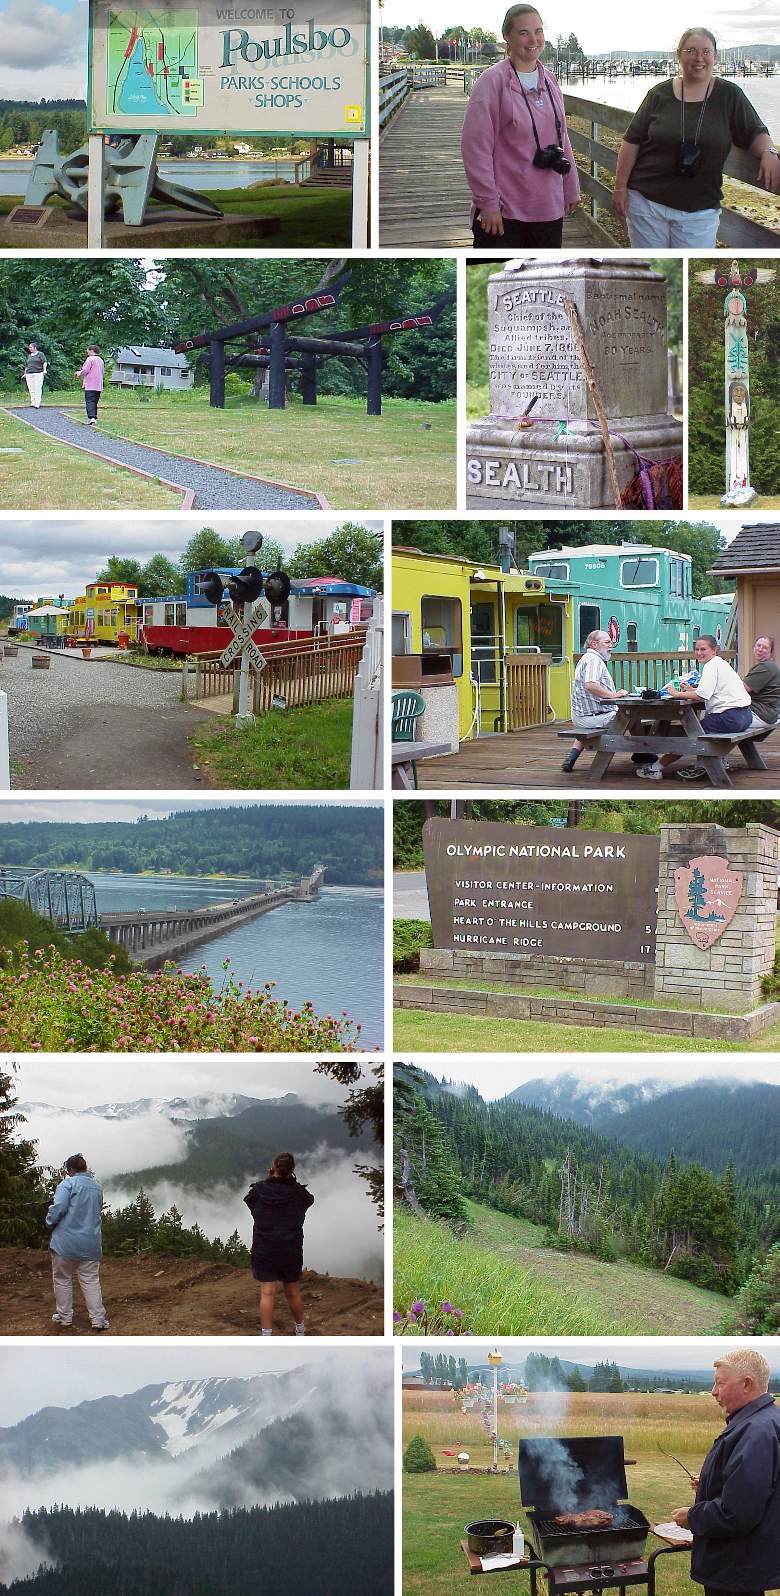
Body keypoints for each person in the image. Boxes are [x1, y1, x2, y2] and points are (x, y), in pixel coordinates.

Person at [613, 29, 780, 247]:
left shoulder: (729, 95)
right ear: (679, 55)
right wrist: (620, 188)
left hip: (699, 210)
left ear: (715, 56)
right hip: (646, 203)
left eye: (706, 51)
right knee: (655, 270)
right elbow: (631, 141)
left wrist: (769, 153)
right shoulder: (658, 94)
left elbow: (755, 132)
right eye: (690, 50)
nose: (698, 57)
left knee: (686, 272)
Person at [461, 4, 580, 248]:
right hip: (505, 212)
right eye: (524, 32)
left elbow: (562, 138)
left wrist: (571, 187)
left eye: (538, 31)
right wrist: (488, 203)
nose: (533, 39)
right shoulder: (491, 82)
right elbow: (475, 149)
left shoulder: (549, 79)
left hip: (548, 208)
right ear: (507, 36)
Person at [670, 1348, 780, 1596]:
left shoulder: (755, 1432)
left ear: (747, 1384)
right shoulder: (767, 1420)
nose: (714, 1392)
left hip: (736, 1565)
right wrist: (709, 1484)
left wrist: (693, 1517)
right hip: (747, 1565)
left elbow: (737, 1513)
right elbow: (761, 1488)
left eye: (720, 1383)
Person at [636, 633, 752, 781]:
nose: (699, 653)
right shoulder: (721, 664)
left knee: (689, 735)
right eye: (696, 649)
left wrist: (676, 694)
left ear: (714, 650)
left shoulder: (711, 666)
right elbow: (711, 691)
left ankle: (655, 769)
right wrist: (691, 690)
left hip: (730, 718)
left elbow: (702, 696)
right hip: (745, 716)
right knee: (698, 727)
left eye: (703, 649)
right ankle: (716, 759)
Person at [244, 1152, 314, 1336]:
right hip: (290, 1247)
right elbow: (309, 1201)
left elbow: (251, 1205)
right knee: (293, 1292)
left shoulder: (258, 1191)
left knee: (267, 1292)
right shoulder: (300, 1193)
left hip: (265, 1247)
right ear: (292, 1169)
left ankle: (266, 1334)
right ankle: (300, 1330)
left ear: (273, 1167)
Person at [45, 1153, 109, 1331]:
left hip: (65, 1243)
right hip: (91, 1243)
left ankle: (65, 1317)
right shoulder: (97, 1187)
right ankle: (98, 1319)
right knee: (90, 1280)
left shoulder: (67, 1184)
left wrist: (49, 1222)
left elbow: (59, 1208)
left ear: (70, 1169)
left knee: (62, 1279)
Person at [561, 629, 629, 772]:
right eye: (607, 642)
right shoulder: (593, 660)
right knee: (630, 715)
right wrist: (613, 695)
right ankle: (644, 753)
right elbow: (590, 685)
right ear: (594, 644)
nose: (611, 645)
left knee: (628, 714)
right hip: (592, 718)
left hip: (583, 716)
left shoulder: (588, 658)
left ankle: (571, 757)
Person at [743, 636, 780, 733]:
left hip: (761, 715)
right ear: (753, 648)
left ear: (771, 652)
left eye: (765, 647)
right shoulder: (766, 666)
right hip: (767, 714)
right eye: (758, 646)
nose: (760, 649)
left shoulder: (766, 667)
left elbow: (743, 688)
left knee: (716, 721)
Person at [75, 344, 104, 425]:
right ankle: (94, 416)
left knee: (89, 401)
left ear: (92, 351)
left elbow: (85, 370)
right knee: (94, 401)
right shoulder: (100, 360)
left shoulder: (90, 359)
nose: (87, 352)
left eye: (87, 350)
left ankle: (92, 417)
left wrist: (78, 373)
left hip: (91, 384)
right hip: (98, 385)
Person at [21, 342, 47, 409]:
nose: (29, 349)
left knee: (37, 388)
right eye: (29, 347)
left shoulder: (40, 354)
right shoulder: (29, 356)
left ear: (35, 347)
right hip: (29, 374)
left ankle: (37, 403)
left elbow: (44, 362)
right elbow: (27, 365)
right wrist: (25, 373)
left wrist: (44, 370)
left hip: (38, 373)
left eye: (31, 347)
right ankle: (33, 402)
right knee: (31, 388)